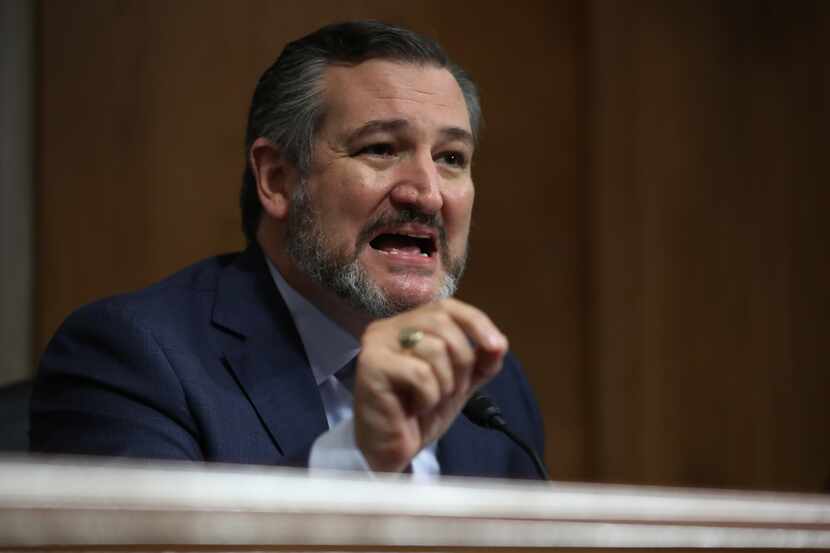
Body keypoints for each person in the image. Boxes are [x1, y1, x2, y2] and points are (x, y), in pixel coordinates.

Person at [30, 21, 545, 479]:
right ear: (277, 179)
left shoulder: (487, 383)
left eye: (452, 157)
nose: (427, 193)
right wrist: (358, 457)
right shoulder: (134, 358)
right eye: (381, 149)